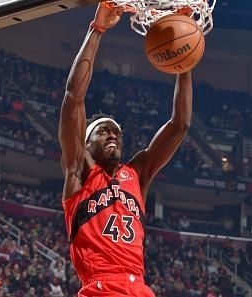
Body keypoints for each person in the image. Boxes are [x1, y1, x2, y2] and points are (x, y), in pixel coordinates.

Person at [58, 2, 193, 297]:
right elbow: (73, 98)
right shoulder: (79, 171)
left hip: (140, 287)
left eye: (117, 132)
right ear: (85, 144)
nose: (113, 135)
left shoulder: (136, 174)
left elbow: (179, 124)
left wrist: (184, 66)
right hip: (100, 286)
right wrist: (98, 29)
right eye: (103, 131)